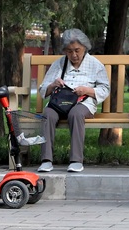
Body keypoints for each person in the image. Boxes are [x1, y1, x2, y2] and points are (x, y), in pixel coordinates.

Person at [37, 29, 109, 173]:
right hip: (59, 103)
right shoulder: (59, 64)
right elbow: (43, 88)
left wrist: (86, 90)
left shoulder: (95, 64)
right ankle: (46, 160)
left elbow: (105, 89)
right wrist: (53, 85)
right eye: (69, 51)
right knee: (48, 114)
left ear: (85, 48)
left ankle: (76, 160)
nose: (74, 55)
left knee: (76, 114)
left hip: (83, 103)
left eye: (77, 50)